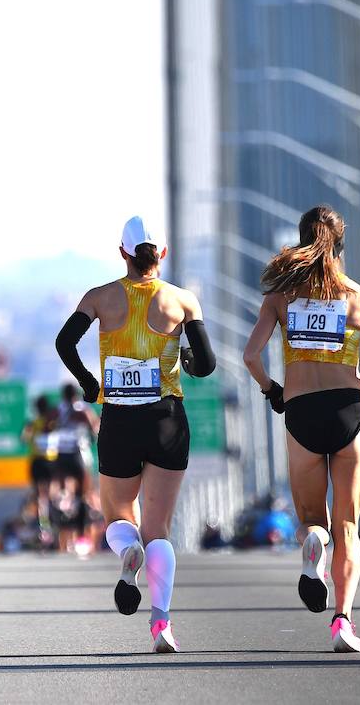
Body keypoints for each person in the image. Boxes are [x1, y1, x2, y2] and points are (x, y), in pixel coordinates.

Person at [242, 205, 360, 654]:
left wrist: (272, 390)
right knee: (348, 526)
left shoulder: (281, 297)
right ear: (340, 245)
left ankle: (313, 543)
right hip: (349, 411)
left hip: (301, 413)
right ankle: (342, 622)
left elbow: (251, 356)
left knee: (313, 521)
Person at [55, 215, 217, 654]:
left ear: (122, 252)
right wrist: (182, 356)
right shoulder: (182, 301)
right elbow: (207, 364)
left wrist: (90, 385)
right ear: (161, 254)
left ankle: (128, 551)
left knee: (118, 515)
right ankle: (161, 622)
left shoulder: (100, 298)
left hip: (120, 418)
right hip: (167, 419)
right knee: (159, 526)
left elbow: (64, 343)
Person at [20, 395, 60, 541]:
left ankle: (44, 525)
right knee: (51, 495)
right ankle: (52, 523)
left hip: (37, 461)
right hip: (51, 462)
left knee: (40, 496)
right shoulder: (53, 421)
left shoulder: (32, 423)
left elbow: (23, 439)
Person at [53, 383, 99, 506]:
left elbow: (48, 427)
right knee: (85, 484)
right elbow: (94, 428)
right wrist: (92, 438)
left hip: (61, 452)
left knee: (61, 485)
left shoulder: (57, 410)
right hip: (78, 452)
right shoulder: (82, 409)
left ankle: (63, 502)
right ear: (76, 395)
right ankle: (84, 503)